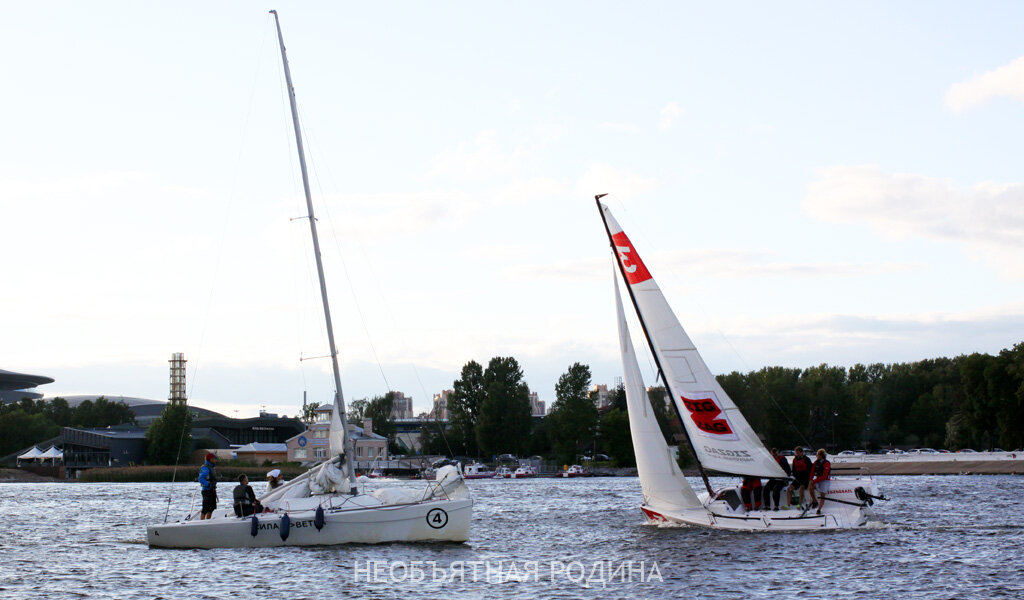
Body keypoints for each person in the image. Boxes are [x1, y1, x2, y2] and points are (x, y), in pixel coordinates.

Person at [809, 448, 832, 514]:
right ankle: (815, 501)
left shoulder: (827, 463)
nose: (816, 456)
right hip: (818, 479)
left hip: (825, 480)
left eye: (818, 455)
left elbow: (824, 476)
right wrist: (811, 479)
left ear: (821, 455)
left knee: (822, 494)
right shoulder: (816, 462)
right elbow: (812, 472)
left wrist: (815, 480)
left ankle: (819, 509)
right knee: (810, 486)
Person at [198, 453, 218, 520]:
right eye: (215, 459)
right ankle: (202, 521)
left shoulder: (212, 467)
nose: (216, 460)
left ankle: (208, 521)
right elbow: (201, 479)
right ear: (210, 459)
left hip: (212, 490)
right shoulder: (205, 468)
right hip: (206, 490)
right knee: (205, 508)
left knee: (212, 508)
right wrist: (208, 484)